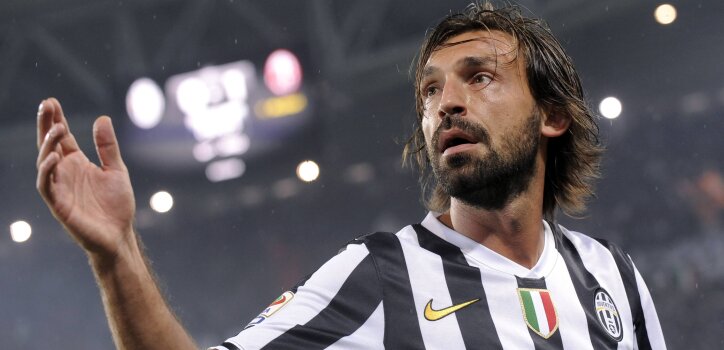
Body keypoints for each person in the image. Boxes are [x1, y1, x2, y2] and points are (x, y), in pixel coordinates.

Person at [35, 2, 666, 349]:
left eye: (478, 76)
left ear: (552, 115)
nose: (444, 102)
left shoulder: (617, 280)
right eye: (428, 90)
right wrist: (117, 255)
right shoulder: (377, 277)